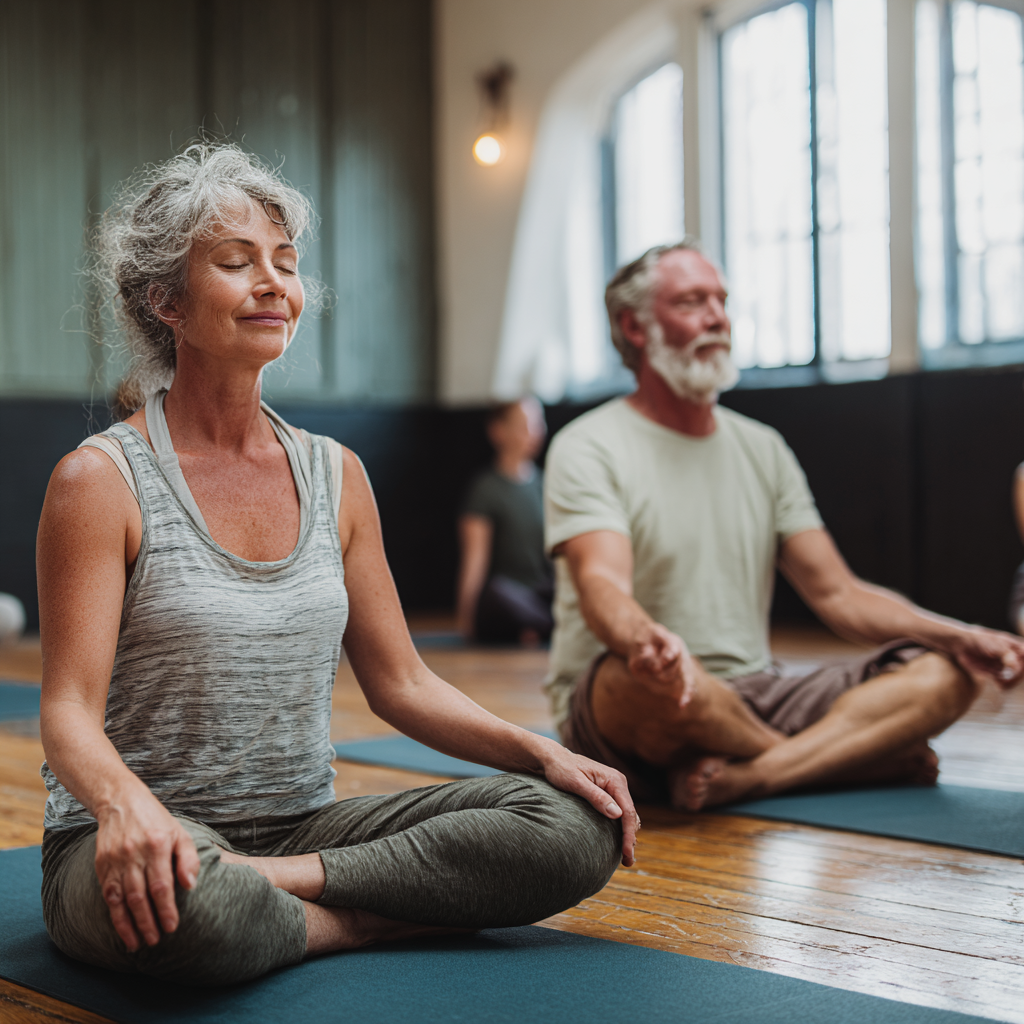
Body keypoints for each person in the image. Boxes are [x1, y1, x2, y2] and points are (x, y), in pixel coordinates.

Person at [35, 143, 636, 988]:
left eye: (285, 263)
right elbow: (65, 711)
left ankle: (290, 903)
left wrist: (540, 753)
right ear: (163, 299)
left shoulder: (336, 473)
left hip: (303, 834)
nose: (273, 284)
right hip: (133, 842)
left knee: (579, 821)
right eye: (236, 263)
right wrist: (125, 807)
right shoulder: (101, 480)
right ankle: (370, 913)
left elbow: (402, 683)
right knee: (189, 906)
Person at [544, 240, 1024, 812]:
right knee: (637, 684)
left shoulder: (761, 448)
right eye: (692, 302)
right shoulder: (588, 445)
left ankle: (759, 775)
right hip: (646, 691)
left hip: (754, 691)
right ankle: (839, 760)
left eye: (720, 301)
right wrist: (643, 640)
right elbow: (602, 584)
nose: (717, 317)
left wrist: (958, 635)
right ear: (635, 326)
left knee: (948, 674)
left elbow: (838, 593)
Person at [456, 397, 553, 645]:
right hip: (507, 596)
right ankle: (541, 626)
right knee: (499, 594)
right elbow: (475, 559)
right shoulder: (486, 489)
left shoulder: (546, 484)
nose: (534, 433)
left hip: (540, 593)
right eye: (524, 426)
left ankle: (535, 626)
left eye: (537, 424)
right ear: (498, 431)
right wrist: (467, 620)